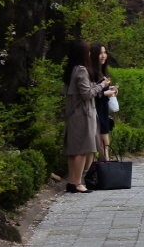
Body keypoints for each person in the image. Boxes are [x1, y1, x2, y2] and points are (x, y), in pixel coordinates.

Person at [61, 39, 115, 193]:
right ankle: (77, 182)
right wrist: (101, 86)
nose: (91, 54)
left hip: (76, 113)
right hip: (83, 114)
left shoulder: (72, 69)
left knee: (75, 150)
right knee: (82, 149)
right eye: (88, 51)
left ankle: (73, 182)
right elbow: (86, 94)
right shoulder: (82, 70)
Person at [91, 42, 119, 161]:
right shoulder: (91, 72)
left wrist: (112, 91)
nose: (103, 56)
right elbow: (89, 93)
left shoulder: (102, 71)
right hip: (94, 111)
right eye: (100, 53)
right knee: (102, 143)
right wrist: (105, 93)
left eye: (104, 53)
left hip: (103, 110)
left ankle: (105, 168)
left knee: (105, 143)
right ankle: (103, 169)